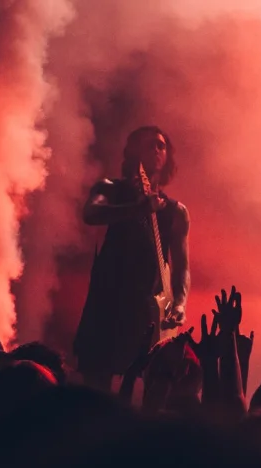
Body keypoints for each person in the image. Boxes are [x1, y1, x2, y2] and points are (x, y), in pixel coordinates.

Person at [74, 126, 190, 390]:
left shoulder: (176, 212)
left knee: (146, 384)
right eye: (148, 144)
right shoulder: (109, 189)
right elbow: (91, 213)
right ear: (132, 152)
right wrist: (137, 208)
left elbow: (182, 266)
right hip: (107, 301)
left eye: (161, 145)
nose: (156, 150)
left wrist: (180, 303)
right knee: (96, 381)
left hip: (147, 309)